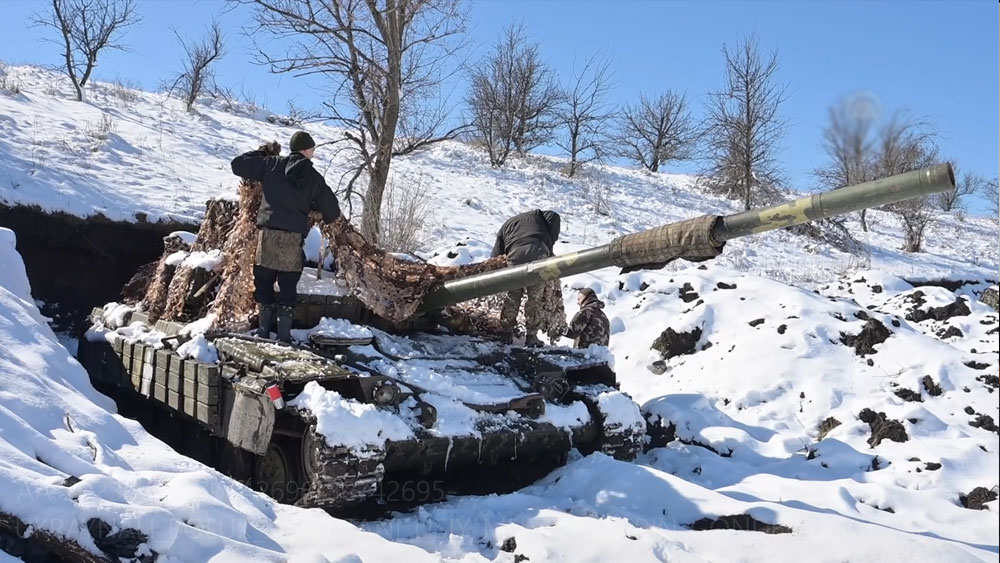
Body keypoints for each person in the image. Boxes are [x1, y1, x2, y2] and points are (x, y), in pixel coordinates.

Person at [230, 131, 341, 342]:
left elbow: (238, 164)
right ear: (307, 150)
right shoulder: (314, 178)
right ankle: (283, 337)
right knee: (288, 289)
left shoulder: (271, 164)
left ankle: (263, 333)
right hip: (292, 241)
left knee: (263, 285)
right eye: (312, 150)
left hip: (267, 238)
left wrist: (262, 153)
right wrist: (314, 206)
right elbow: (332, 212)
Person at [490, 209, 561, 346]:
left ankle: (506, 332)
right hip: (538, 255)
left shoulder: (509, 223)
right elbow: (552, 228)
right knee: (535, 298)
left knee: (513, 296)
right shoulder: (543, 220)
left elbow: (496, 254)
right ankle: (531, 336)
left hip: (515, 256)